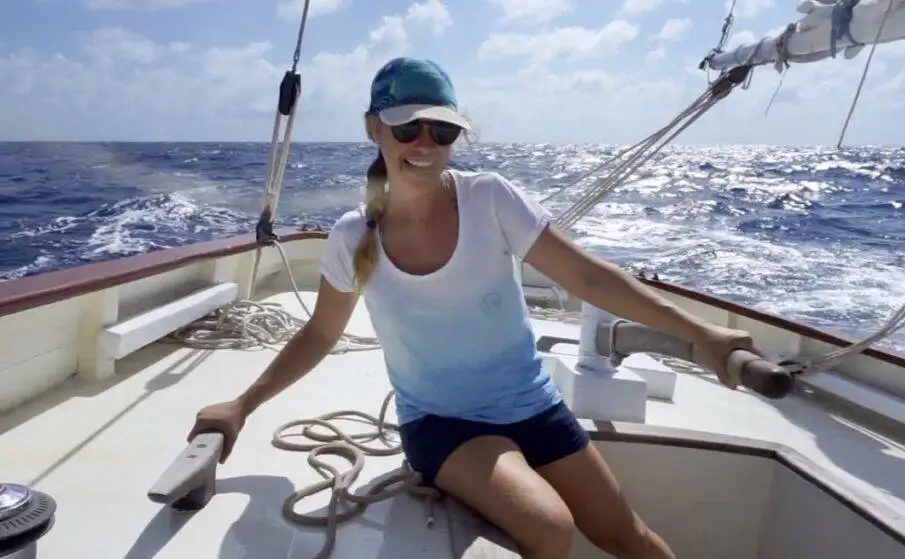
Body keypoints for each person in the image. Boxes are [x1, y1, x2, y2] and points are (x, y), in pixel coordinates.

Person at [189, 56, 760, 559]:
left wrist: (702, 333)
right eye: (407, 126)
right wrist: (242, 404)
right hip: (442, 425)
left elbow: (588, 276)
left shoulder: (489, 198)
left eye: (442, 130)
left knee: (625, 536)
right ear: (373, 129)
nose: (425, 142)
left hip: (534, 406)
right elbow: (319, 334)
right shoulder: (350, 238)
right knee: (550, 528)